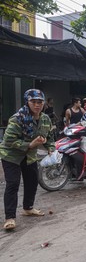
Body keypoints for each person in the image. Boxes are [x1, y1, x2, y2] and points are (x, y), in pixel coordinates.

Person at [0, 89, 55, 230]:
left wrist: (50, 147)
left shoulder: (45, 119)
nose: (37, 105)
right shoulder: (17, 118)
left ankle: (28, 208)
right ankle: (10, 217)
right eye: (33, 102)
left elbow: (48, 136)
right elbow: (8, 141)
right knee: (13, 184)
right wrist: (30, 144)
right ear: (27, 102)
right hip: (11, 155)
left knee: (32, 181)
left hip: (29, 156)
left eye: (40, 102)